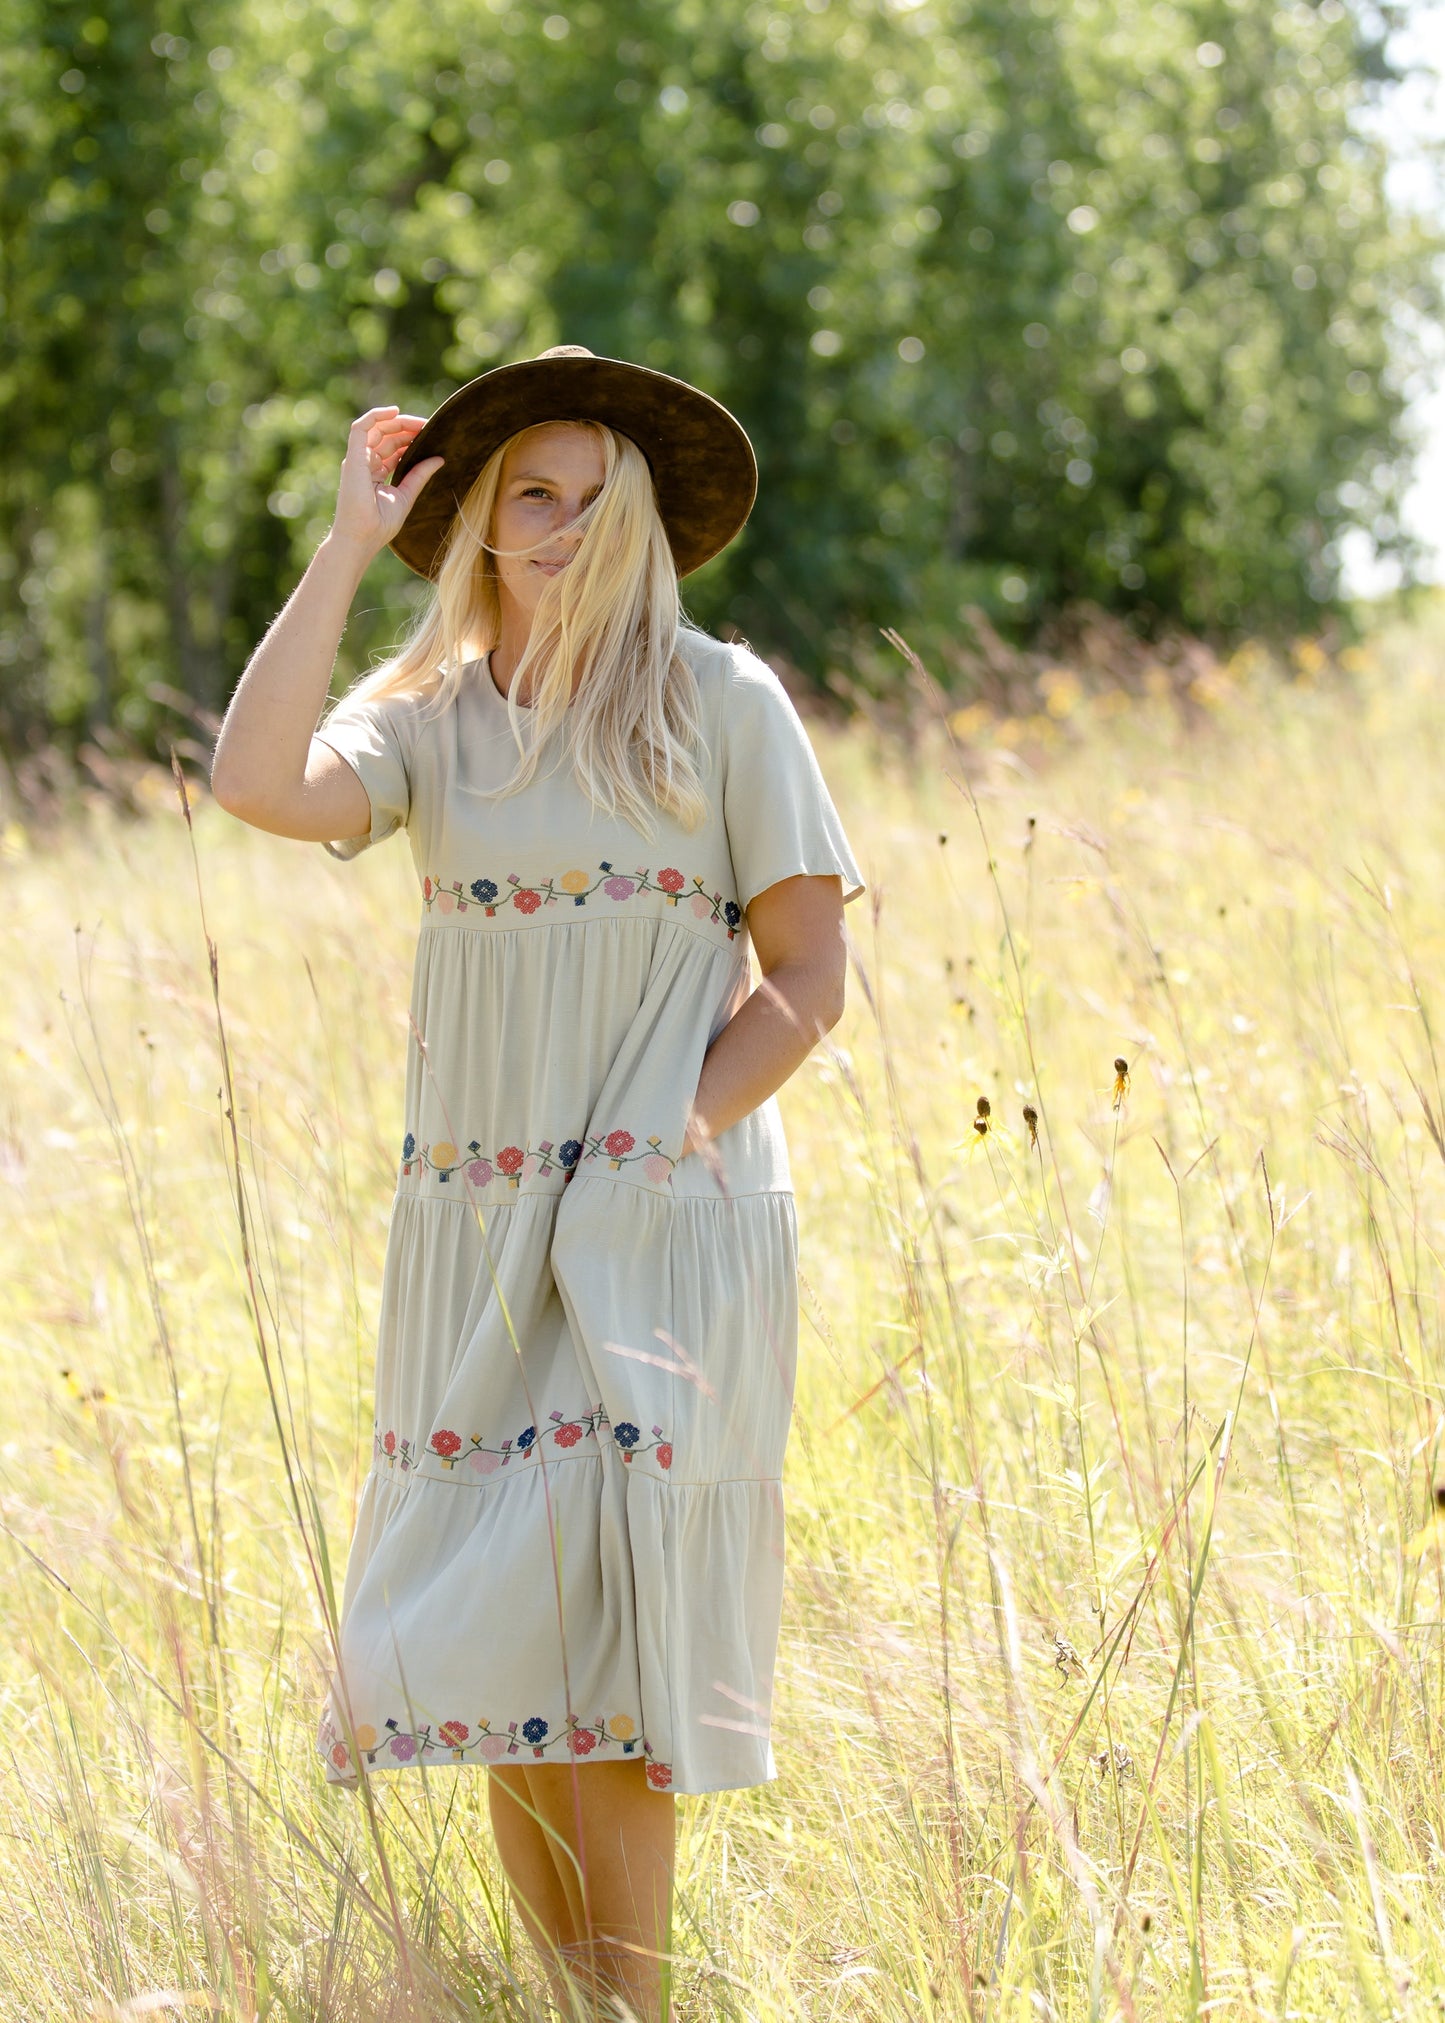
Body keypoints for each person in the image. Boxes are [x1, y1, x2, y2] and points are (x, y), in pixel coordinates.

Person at [209, 345, 864, 2020]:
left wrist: (660, 1143)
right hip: (473, 1232)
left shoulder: (722, 704)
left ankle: (627, 2010)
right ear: (484, 525)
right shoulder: (430, 724)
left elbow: (803, 980)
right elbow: (254, 782)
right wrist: (350, 545)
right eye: (530, 499)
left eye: (591, 500)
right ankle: (576, 2005)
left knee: (610, 1637)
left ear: (639, 522)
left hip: (664, 1222)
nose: (561, 531)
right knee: (510, 1649)